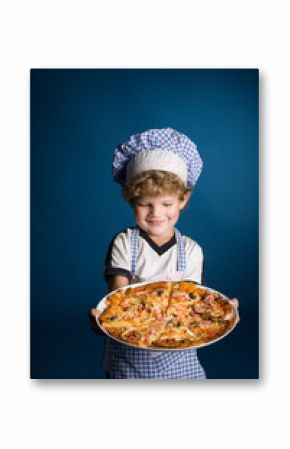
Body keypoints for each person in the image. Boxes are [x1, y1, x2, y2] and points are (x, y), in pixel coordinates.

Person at [91, 127, 236, 379]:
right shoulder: (125, 243)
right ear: (130, 200)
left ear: (183, 200)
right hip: (129, 357)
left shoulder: (190, 250)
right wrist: (103, 320)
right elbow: (117, 299)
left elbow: (190, 303)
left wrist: (220, 313)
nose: (156, 214)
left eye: (166, 204)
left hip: (180, 356)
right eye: (145, 203)